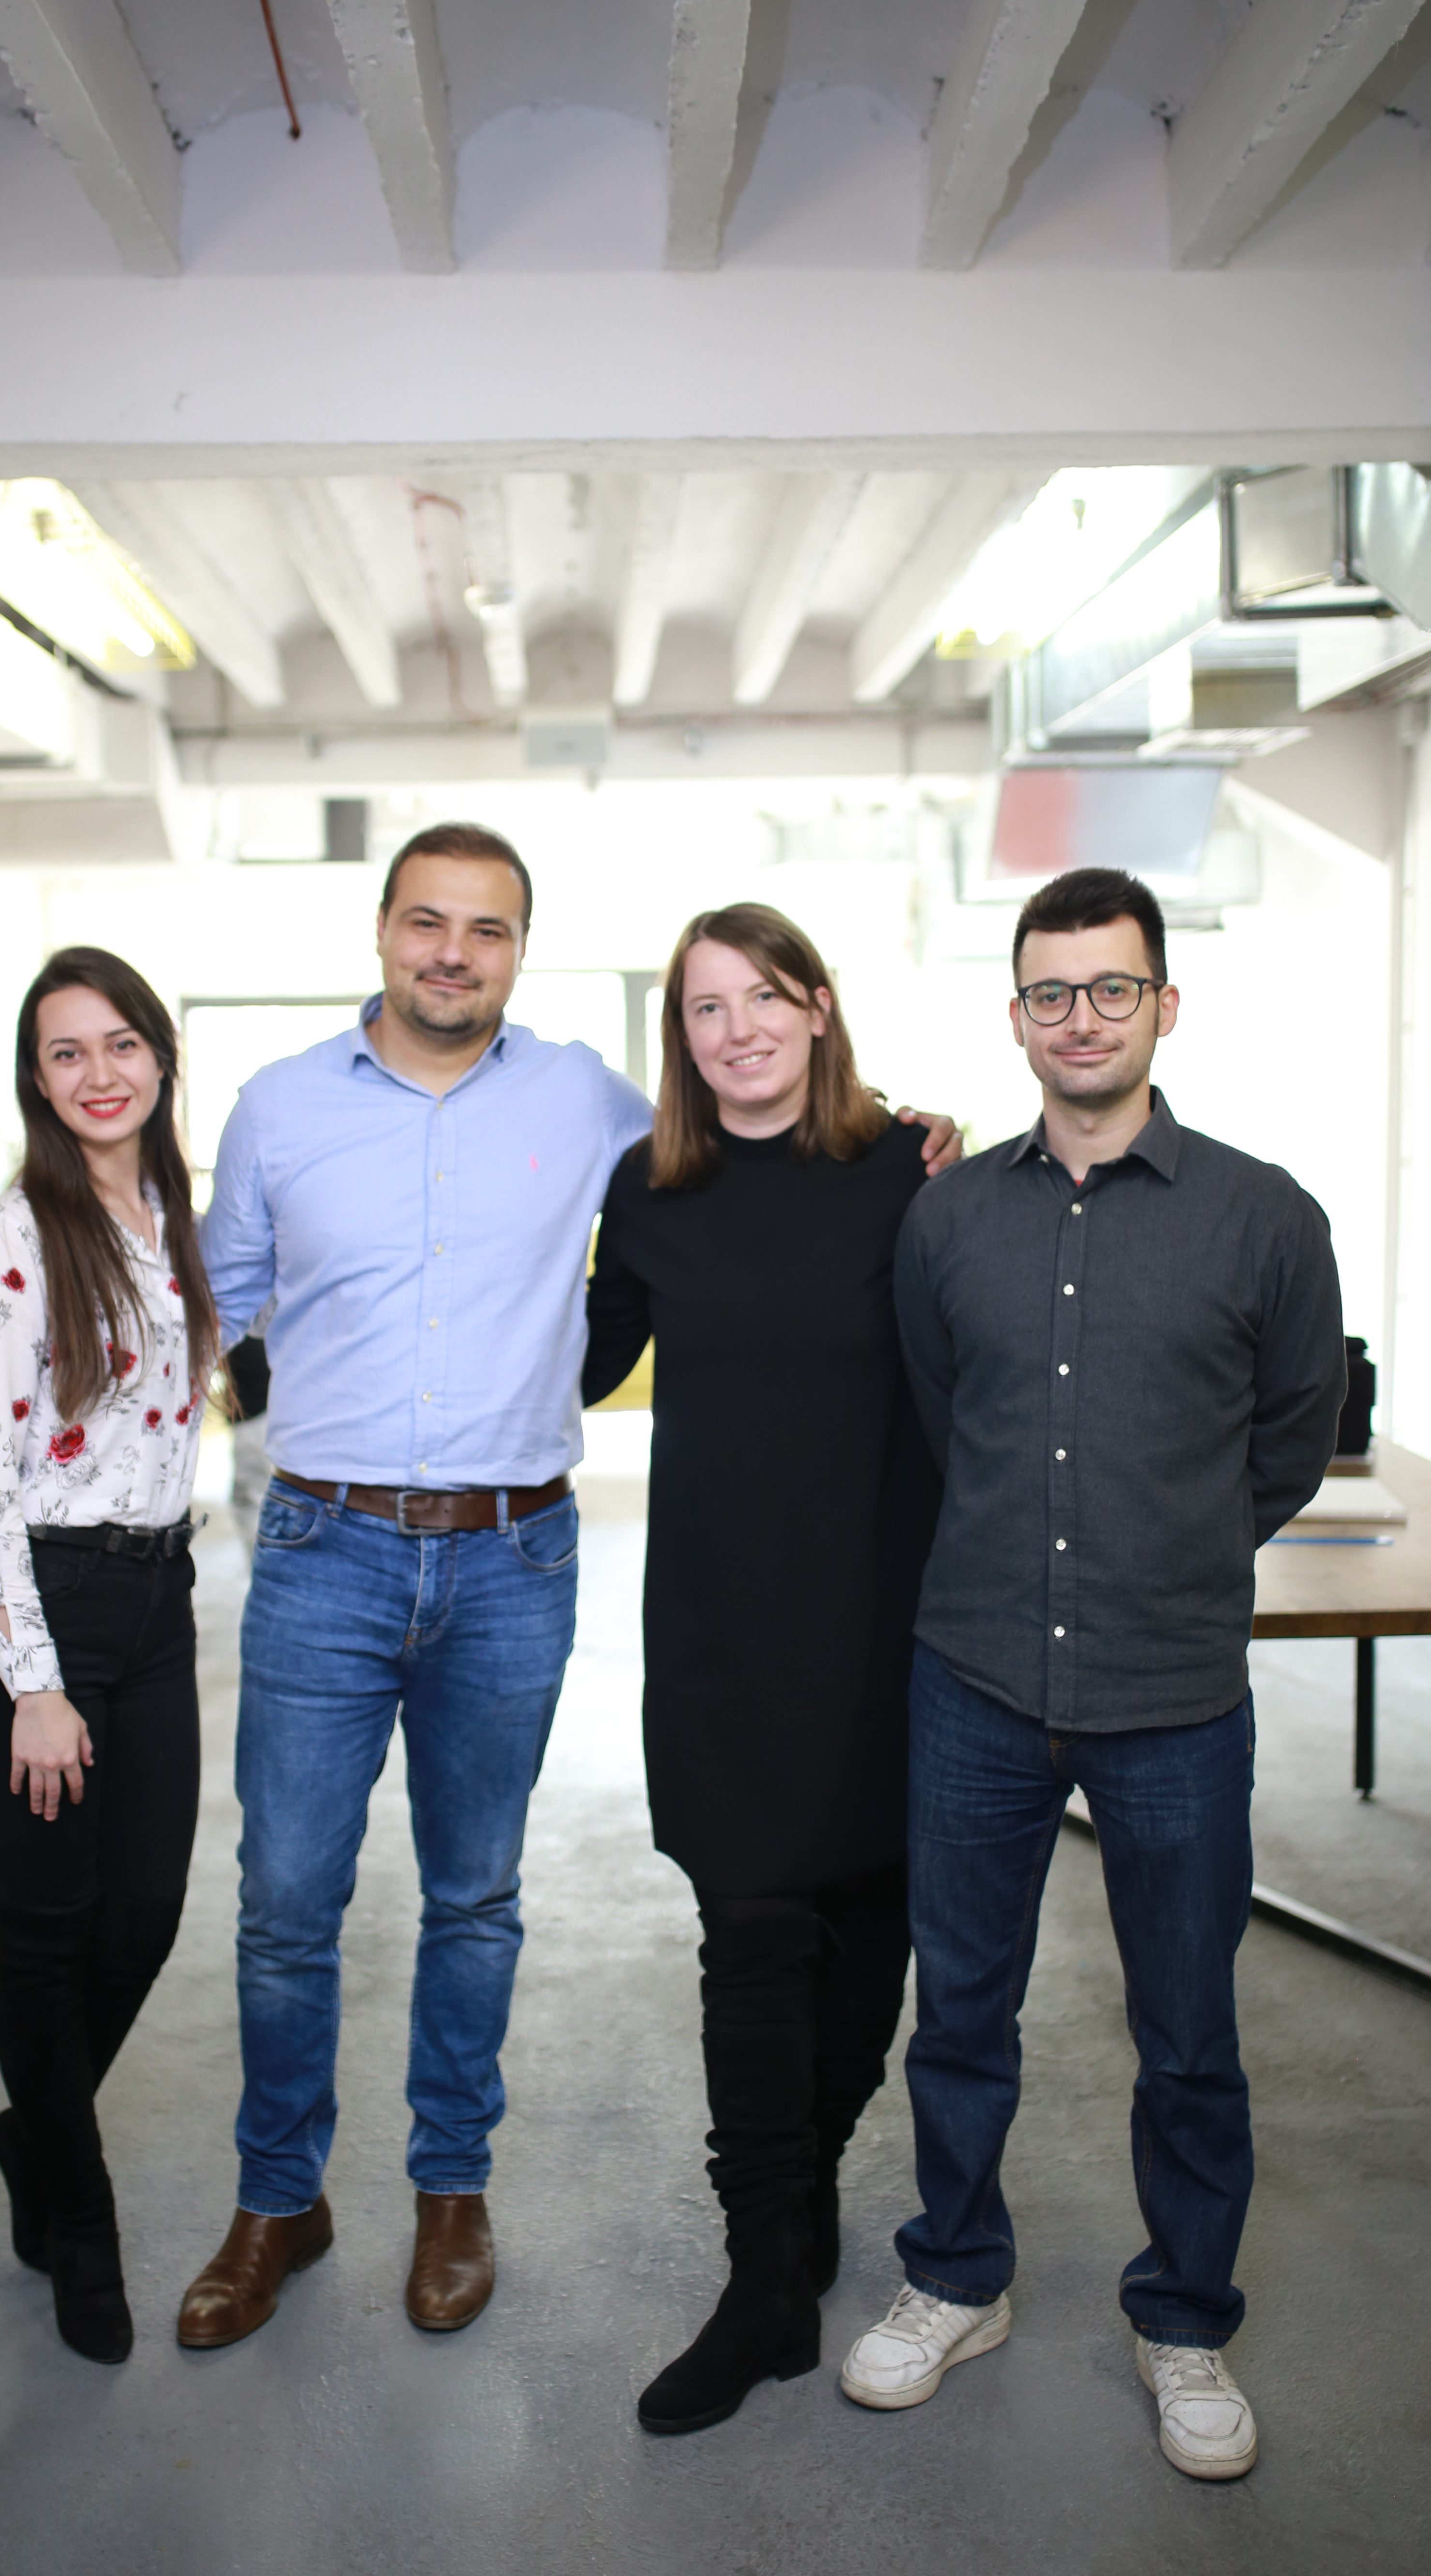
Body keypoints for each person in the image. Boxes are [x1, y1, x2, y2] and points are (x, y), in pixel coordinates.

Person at [179, 821, 963, 2353]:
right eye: (428, 922)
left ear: (521, 952)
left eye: (487, 929)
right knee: (285, 1902)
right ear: (384, 931)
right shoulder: (278, 1108)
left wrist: (916, 1128)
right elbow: (209, 1315)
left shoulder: (592, 1105)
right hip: (327, 1548)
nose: (453, 952)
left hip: (511, 1555)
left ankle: (450, 2193)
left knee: (475, 1898)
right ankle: (277, 2200)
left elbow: (765, 1140)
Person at [843, 865, 1346, 2483]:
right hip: (976, 1677)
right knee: (959, 2010)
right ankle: (956, 2276)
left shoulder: (1266, 1218)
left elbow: (1289, 1442)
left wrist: (1178, 1553)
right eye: (1051, 993)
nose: (1081, 1019)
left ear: (1164, 1006)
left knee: (1188, 2030)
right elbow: (946, 1414)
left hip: (1175, 1694)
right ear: (1017, 1017)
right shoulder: (949, 1219)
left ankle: (1184, 2316)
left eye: (1111, 989)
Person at [582, 905, 944, 2436]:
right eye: (704, 1008)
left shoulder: (913, 1174)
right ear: (681, 1036)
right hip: (722, 1632)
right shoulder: (651, 1186)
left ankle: (803, 2193)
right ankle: (762, 2289)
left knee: (870, 1945)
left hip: (887, 1624)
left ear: (817, 1008)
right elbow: (575, 1362)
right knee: (750, 1944)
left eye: (762, 998)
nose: (735, 1030)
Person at [0, 947, 217, 2365]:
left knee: (149, 1910)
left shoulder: (174, 1216)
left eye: (121, 1044)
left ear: (159, 1057)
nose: (100, 1073)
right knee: (49, 1927)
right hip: (37, 1613)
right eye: (68, 1052)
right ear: (37, 1081)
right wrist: (34, 1688)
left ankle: (30, 2129)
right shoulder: (14, 1238)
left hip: (158, 1602)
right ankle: (81, 2221)